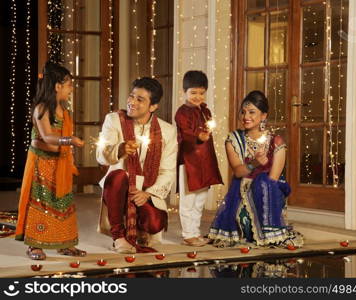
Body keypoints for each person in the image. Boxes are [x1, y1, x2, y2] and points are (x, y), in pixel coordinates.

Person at [208, 90, 303, 248]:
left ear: (263, 116)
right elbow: (238, 171)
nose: (246, 117)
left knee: (264, 182)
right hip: (241, 191)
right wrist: (255, 163)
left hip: (268, 194)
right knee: (244, 223)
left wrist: (259, 182)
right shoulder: (233, 139)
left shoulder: (276, 142)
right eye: (243, 112)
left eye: (252, 112)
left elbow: (273, 180)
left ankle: (270, 230)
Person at [96, 77, 177, 254]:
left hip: (146, 190)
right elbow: (101, 157)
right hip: (120, 187)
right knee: (117, 175)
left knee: (155, 223)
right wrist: (120, 149)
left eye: (140, 100)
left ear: (153, 106)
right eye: (131, 96)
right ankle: (118, 236)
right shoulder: (114, 120)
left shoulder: (167, 131)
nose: (132, 102)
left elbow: (167, 170)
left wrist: (148, 194)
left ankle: (139, 231)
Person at [15, 61, 86, 260]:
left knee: (63, 202)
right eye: (69, 84)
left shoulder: (63, 110)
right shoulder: (42, 108)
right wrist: (69, 140)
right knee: (41, 202)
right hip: (42, 164)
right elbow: (46, 137)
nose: (71, 89)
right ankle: (35, 246)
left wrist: (68, 151)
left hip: (60, 164)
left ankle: (65, 243)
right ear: (57, 86)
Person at [175, 70, 223, 247]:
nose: (197, 97)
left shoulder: (205, 111)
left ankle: (195, 232)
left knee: (200, 198)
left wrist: (207, 132)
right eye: (193, 93)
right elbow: (185, 132)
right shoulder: (182, 112)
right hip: (189, 161)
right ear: (185, 92)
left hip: (205, 160)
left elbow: (207, 129)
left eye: (201, 93)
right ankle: (188, 234)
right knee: (189, 198)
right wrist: (198, 135)